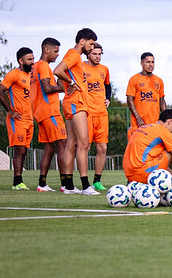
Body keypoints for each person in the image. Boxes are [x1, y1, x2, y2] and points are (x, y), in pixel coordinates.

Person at [53, 28, 100, 195]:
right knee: (83, 144)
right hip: (76, 103)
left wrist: (68, 83)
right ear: (82, 41)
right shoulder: (74, 54)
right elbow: (57, 71)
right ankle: (86, 185)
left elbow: (60, 74)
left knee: (71, 144)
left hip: (71, 102)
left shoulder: (73, 56)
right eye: (91, 43)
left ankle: (68, 185)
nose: (92, 47)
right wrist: (72, 83)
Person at [30, 38, 67, 192]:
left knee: (49, 148)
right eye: (55, 51)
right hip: (49, 112)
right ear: (46, 49)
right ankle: (66, 184)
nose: (57, 55)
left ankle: (42, 184)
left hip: (39, 113)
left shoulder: (35, 66)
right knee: (63, 144)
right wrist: (63, 87)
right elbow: (46, 88)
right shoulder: (44, 66)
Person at [123, 108, 172, 183]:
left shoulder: (144, 127)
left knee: (167, 150)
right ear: (169, 122)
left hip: (129, 174)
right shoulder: (163, 131)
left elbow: (158, 159)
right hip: (143, 174)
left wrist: (171, 175)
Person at [0, 47, 35, 190]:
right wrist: (10, 111)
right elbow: (0, 90)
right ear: (21, 61)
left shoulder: (31, 75)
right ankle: (17, 182)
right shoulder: (13, 74)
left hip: (29, 119)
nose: (33, 62)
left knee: (24, 150)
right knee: (19, 150)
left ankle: (19, 180)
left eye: (33, 59)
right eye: (29, 60)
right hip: (17, 119)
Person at [83, 43, 112, 191]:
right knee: (85, 147)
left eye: (100, 54)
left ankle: (97, 180)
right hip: (87, 113)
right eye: (94, 54)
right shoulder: (81, 67)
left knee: (102, 148)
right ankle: (84, 180)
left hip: (102, 114)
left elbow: (108, 85)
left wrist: (108, 98)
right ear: (88, 54)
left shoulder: (104, 69)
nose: (97, 57)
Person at [126, 52, 166, 138]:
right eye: (148, 62)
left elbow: (162, 101)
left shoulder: (159, 80)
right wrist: (138, 118)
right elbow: (129, 100)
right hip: (139, 124)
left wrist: (165, 119)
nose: (151, 64)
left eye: (152, 62)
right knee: (137, 150)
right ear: (141, 63)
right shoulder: (134, 79)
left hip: (154, 124)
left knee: (154, 150)